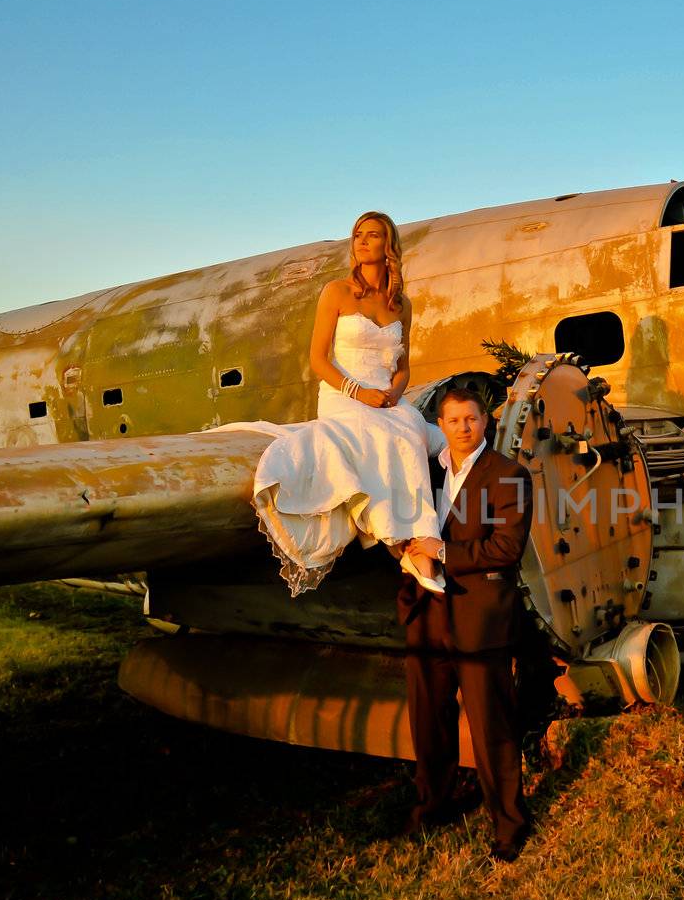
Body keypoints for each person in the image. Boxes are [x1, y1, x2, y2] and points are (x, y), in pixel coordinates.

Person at [225, 211, 447, 596]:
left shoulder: (402, 305)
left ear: (388, 246)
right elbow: (317, 360)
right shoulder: (337, 292)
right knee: (377, 433)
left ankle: (417, 539)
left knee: (413, 429)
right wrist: (358, 393)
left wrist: (395, 392)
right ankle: (406, 543)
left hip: (384, 396)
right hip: (343, 395)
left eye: (372, 235)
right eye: (358, 235)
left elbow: (404, 366)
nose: (361, 241)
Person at [398, 387, 535, 862]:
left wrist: (445, 553)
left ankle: (510, 824)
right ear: (440, 425)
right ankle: (433, 806)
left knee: (490, 725)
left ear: (484, 422)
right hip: (427, 612)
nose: (462, 428)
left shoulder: (510, 475)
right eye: (452, 421)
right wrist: (406, 551)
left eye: (470, 419)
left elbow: (506, 549)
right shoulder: (424, 470)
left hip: (480, 619)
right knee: (428, 721)